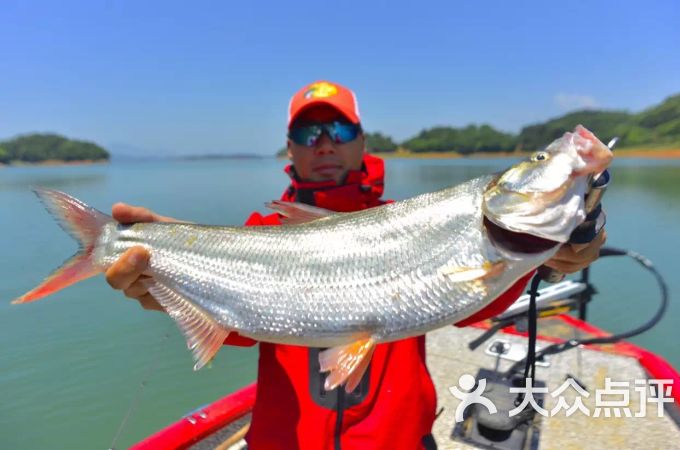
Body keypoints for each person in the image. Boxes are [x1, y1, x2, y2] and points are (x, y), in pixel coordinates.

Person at [105, 81, 606, 449]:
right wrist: (175, 271)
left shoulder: (413, 221)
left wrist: (561, 251)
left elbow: (470, 300)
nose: (324, 142)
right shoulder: (264, 230)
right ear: (291, 149)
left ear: (362, 142)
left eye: (339, 128)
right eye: (308, 132)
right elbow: (249, 323)